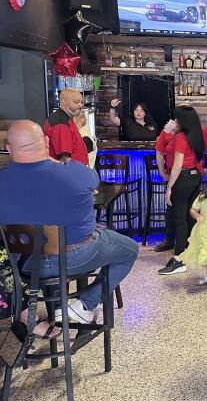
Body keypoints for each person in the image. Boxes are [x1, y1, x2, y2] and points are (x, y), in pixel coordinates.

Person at [0, 120, 139, 324]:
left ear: (8, 149)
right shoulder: (72, 172)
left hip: (26, 265)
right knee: (130, 249)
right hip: (75, 256)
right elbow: (93, 180)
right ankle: (85, 305)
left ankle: (58, 307)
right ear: (46, 141)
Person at [159, 106, 207, 275]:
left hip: (182, 178)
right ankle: (192, 250)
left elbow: (177, 166)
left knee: (180, 218)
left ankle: (179, 258)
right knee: (190, 216)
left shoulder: (181, 137)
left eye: (176, 119)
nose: (175, 121)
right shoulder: (199, 132)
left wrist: (169, 187)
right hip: (195, 177)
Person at [43, 88, 87, 165]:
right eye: (76, 102)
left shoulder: (66, 119)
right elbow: (64, 159)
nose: (80, 105)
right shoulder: (61, 124)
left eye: (81, 102)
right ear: (64, 102)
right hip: (72, 174)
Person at [153, 119, 178, 252]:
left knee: (190, 207)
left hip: (188, 173)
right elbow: (159, 152)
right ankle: (169, 239)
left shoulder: (190, 128)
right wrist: (162, 173)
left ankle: (188, 240)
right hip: (170, 173)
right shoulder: (167, 131)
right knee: (170, 206)